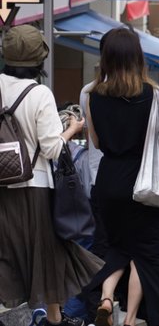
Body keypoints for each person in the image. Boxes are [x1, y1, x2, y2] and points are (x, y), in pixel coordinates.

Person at [0, 26, 101, 326]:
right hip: (35, 190)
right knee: (46, 256)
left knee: (6, 254)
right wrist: (72, 129)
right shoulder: (39, 93)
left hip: (3, 188)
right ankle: (54, 319)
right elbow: (52, 148)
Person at [80, 28, 159, 326]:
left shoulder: (93, 96)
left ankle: (106, 297)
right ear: (137, 57)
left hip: (108, 182)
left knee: (116, 247)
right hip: (142, 183)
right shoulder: (152, 93)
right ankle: (132, 318)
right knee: (147, 254)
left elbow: (95, 142)